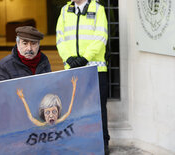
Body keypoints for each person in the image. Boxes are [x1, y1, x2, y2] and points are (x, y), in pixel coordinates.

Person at [56, 0, 110, 153]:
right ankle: (79, 141)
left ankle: (102, 142)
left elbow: (101, 37)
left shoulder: (98, 9)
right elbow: (60, 38)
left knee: (98, 108)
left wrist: (85, 58)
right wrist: (68, 58)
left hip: (95, 69)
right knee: (75, 108)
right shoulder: (65, 10)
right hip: (72, 69)